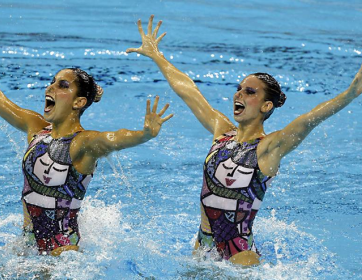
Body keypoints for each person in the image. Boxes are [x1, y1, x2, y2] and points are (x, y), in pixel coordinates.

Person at [126, 15, 362, 266]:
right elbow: (188, 90)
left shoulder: (269, 147)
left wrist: (352, 91)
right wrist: (157, 56)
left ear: (266, 105)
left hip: (239, 257)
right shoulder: (222, 132)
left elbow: (309, 119)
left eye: (250, 92)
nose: (239, 93)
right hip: (202, 248)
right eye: (239, 88)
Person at [0, 30, 173, 256]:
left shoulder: (82, 143)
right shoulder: (36, 129)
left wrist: (145, 134)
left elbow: (113, 138)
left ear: (79, 102)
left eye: (62, 85)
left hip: (62, 254)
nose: (50, 88)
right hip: (26, 246)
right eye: (52, 82)